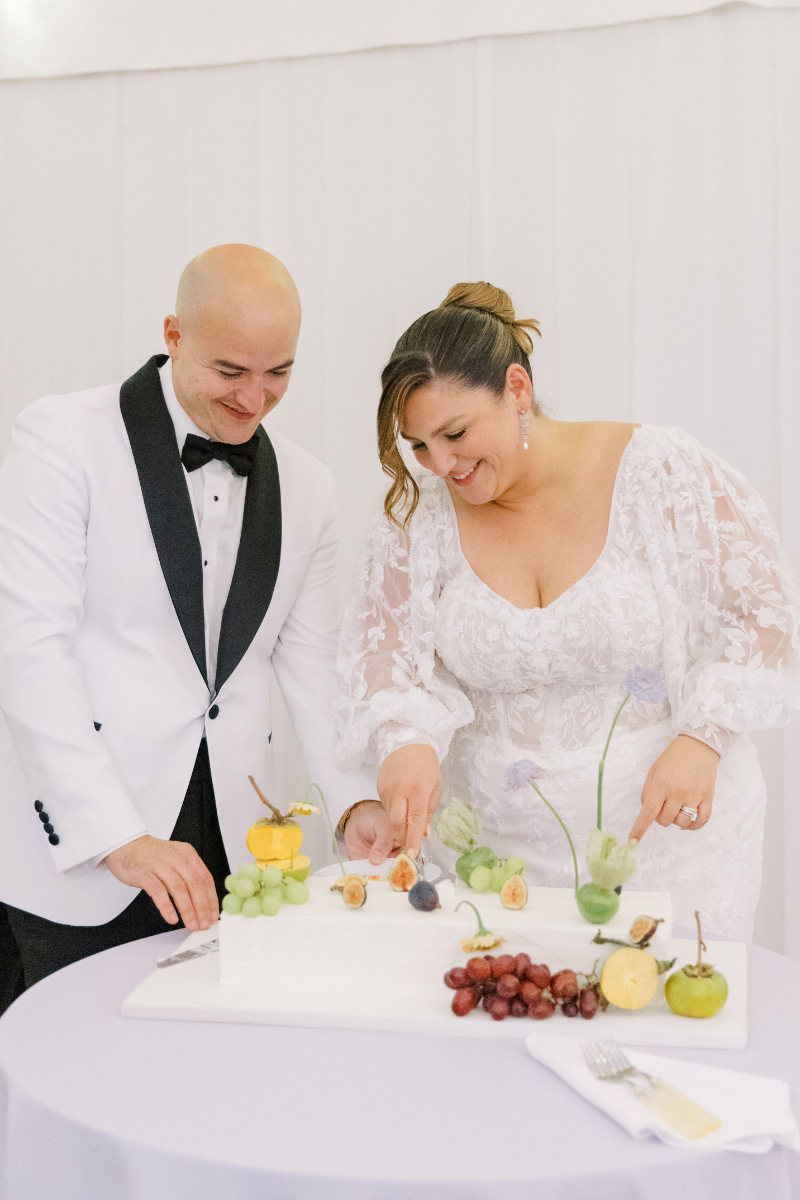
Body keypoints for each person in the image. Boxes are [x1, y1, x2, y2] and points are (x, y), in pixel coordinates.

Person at [334, 281, 800, 939]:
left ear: (517, 390)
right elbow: (385, 661)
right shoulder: (418, 522)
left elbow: (766, 611)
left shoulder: (662, 473)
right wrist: (405, 740)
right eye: (418, 446)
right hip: (489, 864)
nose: (440, 465)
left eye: (455, 433)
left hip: (665, 848)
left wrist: (704, 737)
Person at [0, 244, 375, 1006]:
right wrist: (118, 836)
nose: (255, 399)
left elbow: (315, 667)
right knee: (79, 1072)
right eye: (231, 372)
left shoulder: (310, 486)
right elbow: (27, 650)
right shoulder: (60, 438)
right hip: (88, 844)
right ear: (174, 335)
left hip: (235, 851)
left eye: (280, 374)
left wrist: (357, 801)